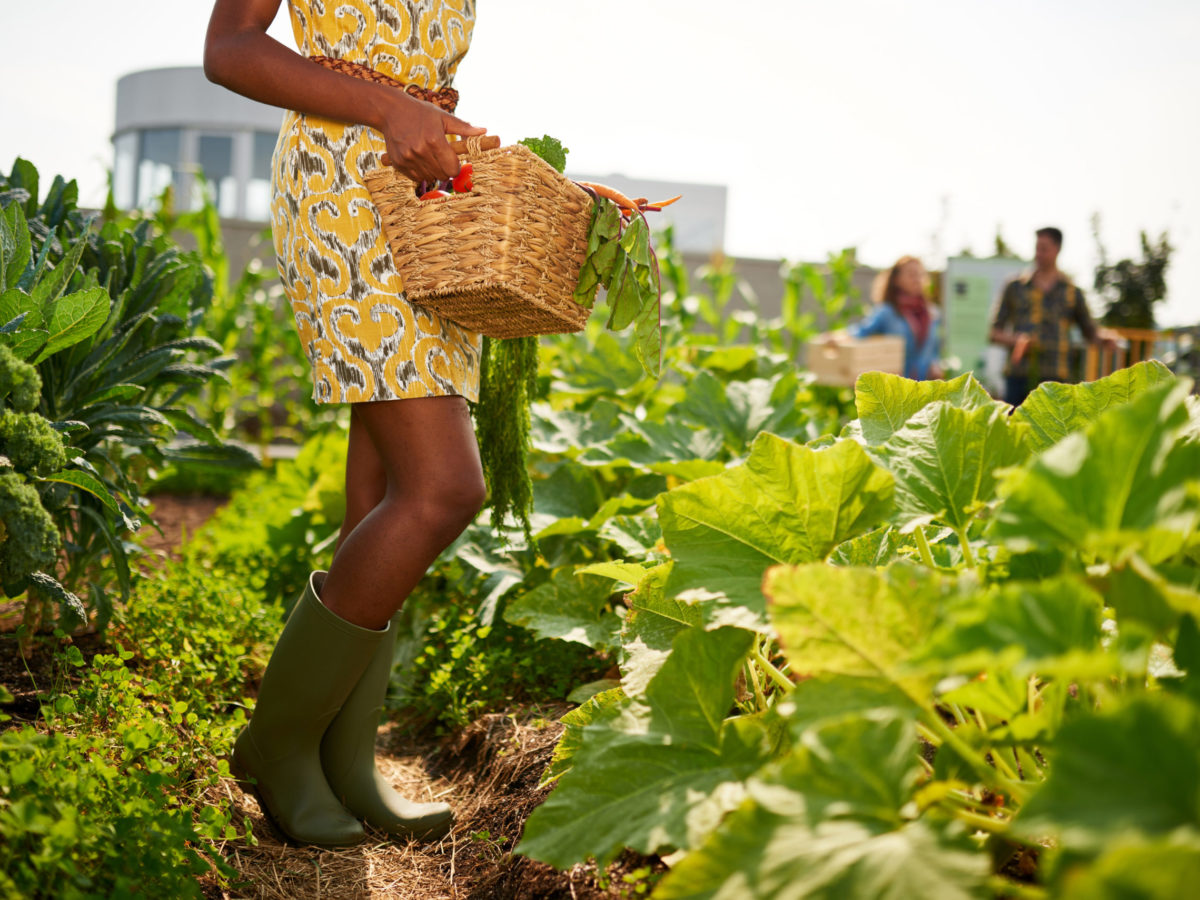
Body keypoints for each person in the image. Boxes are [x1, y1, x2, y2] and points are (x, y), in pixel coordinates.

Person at [204, 0, 489, 848]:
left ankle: (344, 756)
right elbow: (229, 48)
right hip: (347, 193)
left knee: (381, 491)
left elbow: (410, 65)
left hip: (426, 201)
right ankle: (277, 743)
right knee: (443, 489)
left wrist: (441, 124)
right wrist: (391, 107)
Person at [988, 227, 1113, 405]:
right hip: (1019, 375)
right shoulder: (1015, 286)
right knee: (1014, 429)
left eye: (1044, 249)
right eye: (1037, 248)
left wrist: (1104, 338)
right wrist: (1016, 341)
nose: (1038, 254)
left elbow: (1090, 331)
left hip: (1057, 377)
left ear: (1057, 249)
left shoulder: (1072, 291)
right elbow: (993, 333)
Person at [837, 255, 942, 380]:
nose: (917, 279)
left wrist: (935, 365)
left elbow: (933, 349)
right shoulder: (887, 311)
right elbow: (862, 331)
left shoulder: (932, 313)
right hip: (895, 386)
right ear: (897, 279)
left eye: (920, 275)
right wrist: (838, 338)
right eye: (911, 274)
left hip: (924, 386)